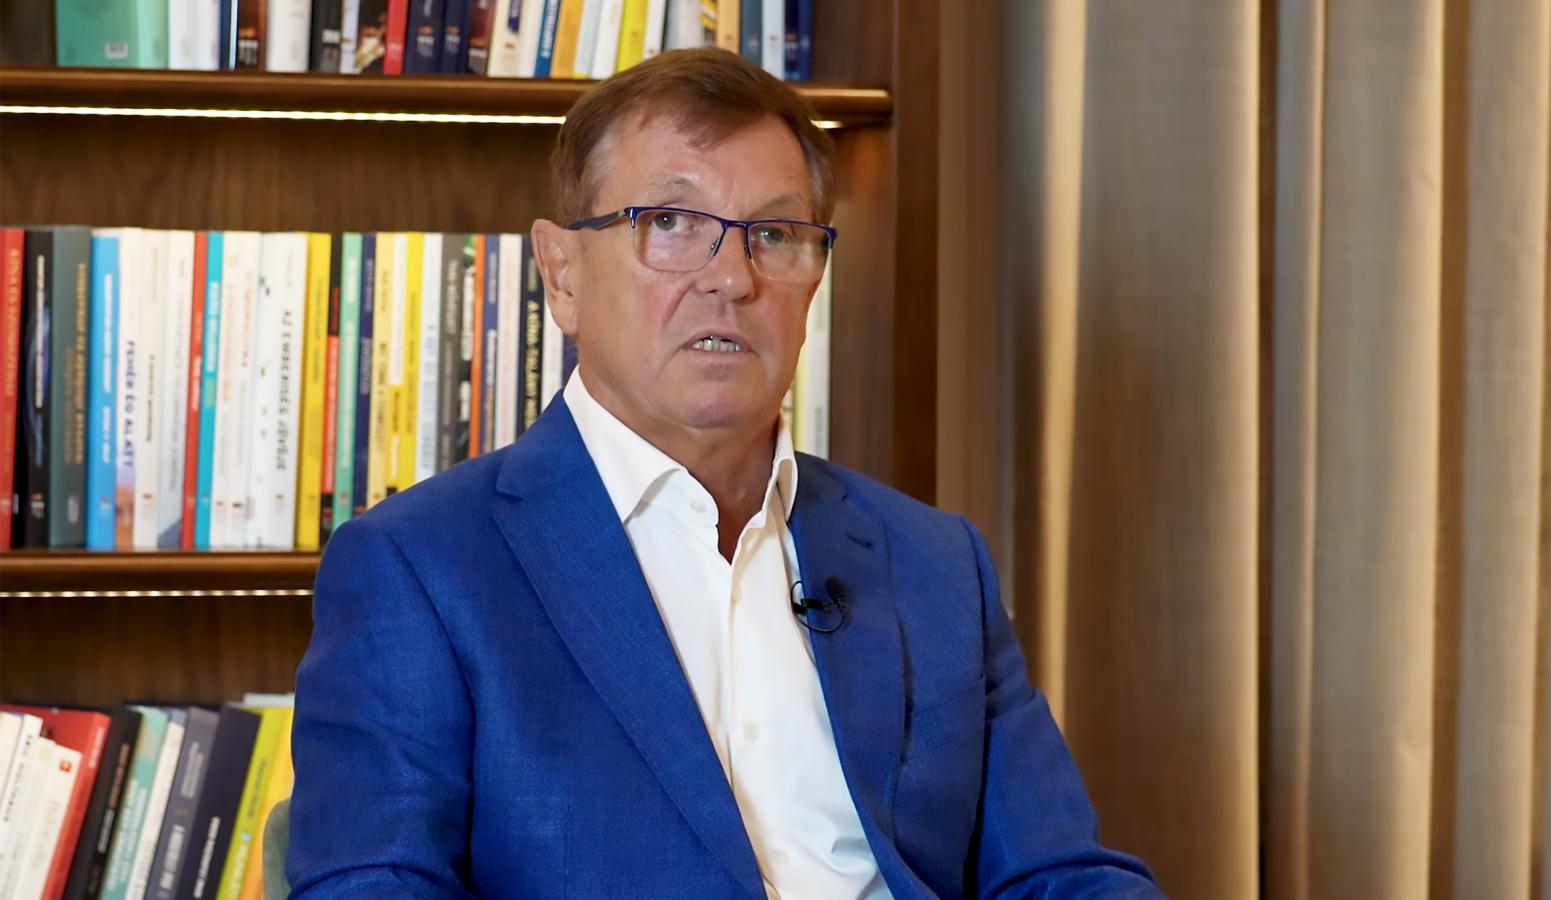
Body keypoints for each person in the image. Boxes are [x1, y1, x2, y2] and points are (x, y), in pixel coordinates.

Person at [286, 48, 1159, 899]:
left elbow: (1059, 873)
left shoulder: (935, 562)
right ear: (562, 274)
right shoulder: (420, 567)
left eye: (774, 235)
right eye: (670, 223)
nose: (732, 280)